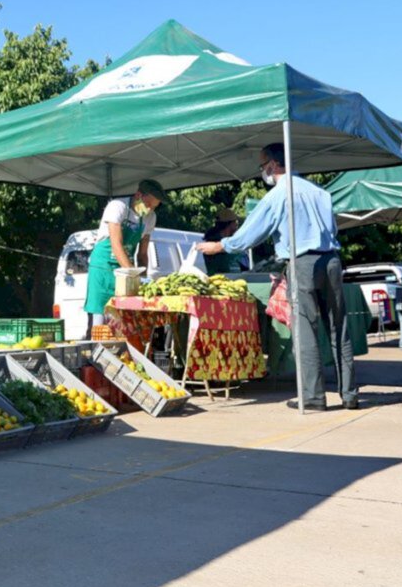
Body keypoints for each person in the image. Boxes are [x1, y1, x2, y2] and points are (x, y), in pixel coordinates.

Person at [196, 143, 356, 411]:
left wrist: (220, 246)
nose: (262, 171)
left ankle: (313, 397)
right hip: (332, 260)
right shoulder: (320, 192)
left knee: (306, 330)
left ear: (273, 165)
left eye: (262, 166)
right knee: (339, 328)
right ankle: (350, 394)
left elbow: (250, 234)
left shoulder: (278, 195)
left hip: (302, 261)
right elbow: (333, 229)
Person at [84, 179, 165, 330]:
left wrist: (143, 278)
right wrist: (132, 274)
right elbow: (116, 244)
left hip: (125, 270)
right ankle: (97, 348)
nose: (149, 210)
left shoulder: (150, 218)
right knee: (100, 317)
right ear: (138, 195)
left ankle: (121, 351)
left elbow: (142, 254)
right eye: (148, 205)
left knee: (122, 317)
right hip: (104, 267)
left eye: (154, 207)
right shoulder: (117, 207)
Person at [202, 208, 248, 275]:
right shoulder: (217, 244)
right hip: (222, 281)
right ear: (229, 224)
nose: (236, 224)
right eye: (235, 221)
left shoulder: (211, 242)